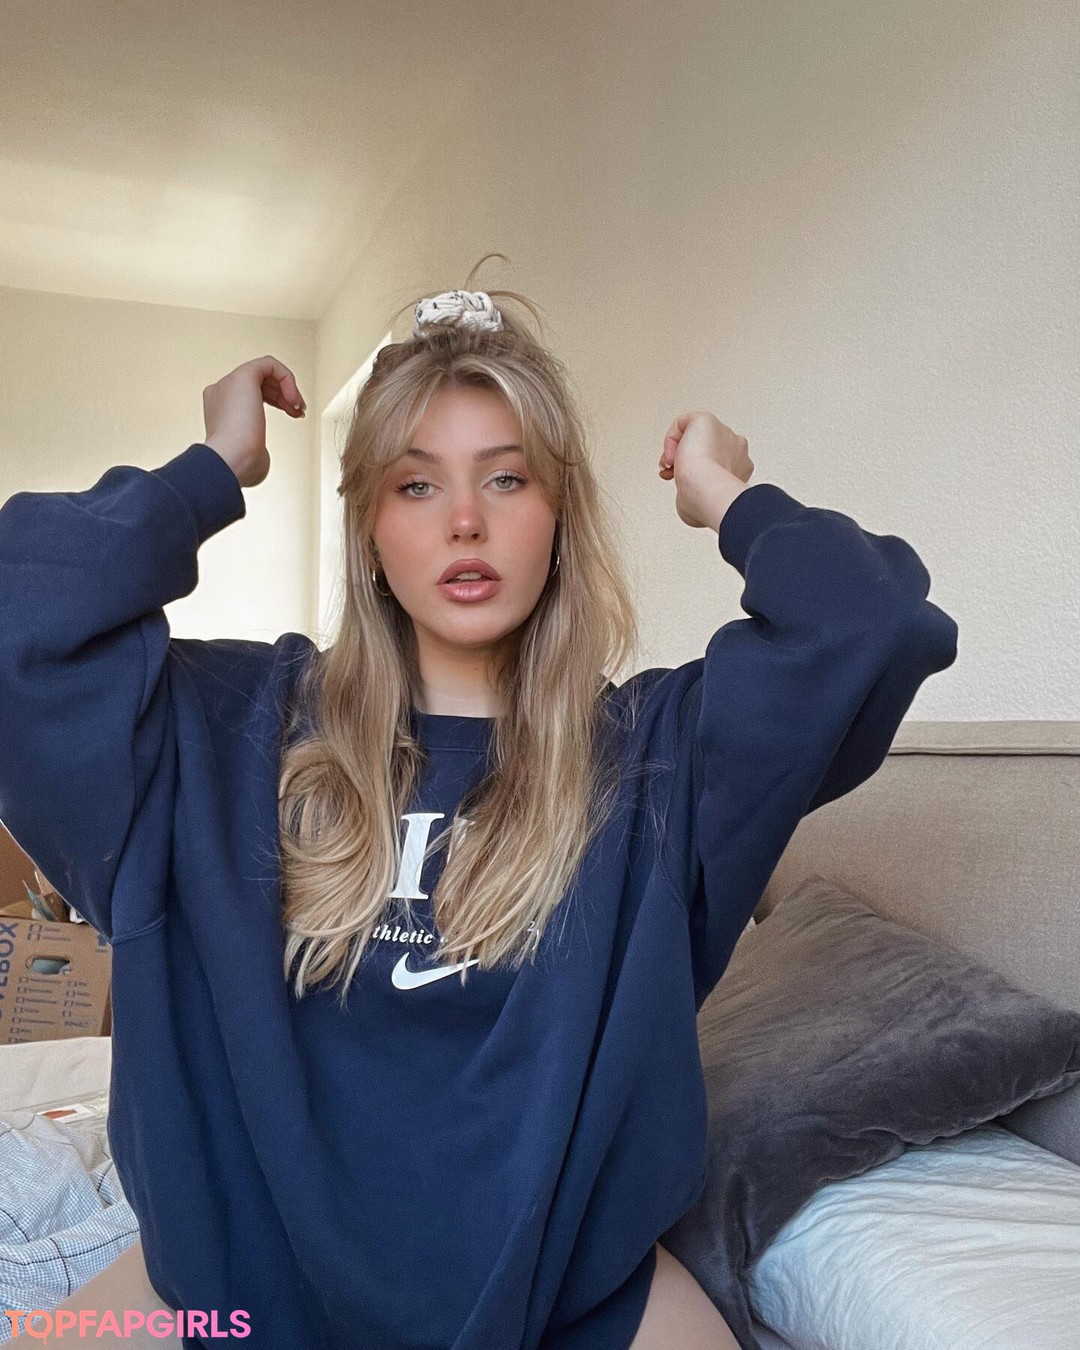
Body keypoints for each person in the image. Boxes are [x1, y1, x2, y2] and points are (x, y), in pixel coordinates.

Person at [0, 260, 959, 1349]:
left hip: (566, 1303)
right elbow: (19, 611)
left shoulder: (658, 760)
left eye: (507, 479)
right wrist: (212, 467)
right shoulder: (222, 728)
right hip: (237, 1300)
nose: (464, 519)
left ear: (559, 517)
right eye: (415, 486)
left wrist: (727, 494)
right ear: (369, 527)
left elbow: (872, 622)